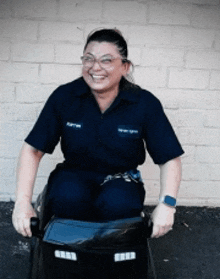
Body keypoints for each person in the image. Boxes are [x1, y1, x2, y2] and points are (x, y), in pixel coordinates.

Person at [12, 28, 184, 239]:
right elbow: (33, 150)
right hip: (74, 174)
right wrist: (22, 202)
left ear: (125, 67)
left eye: (106, 60)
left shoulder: (144, 103)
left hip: (121, 179)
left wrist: (168, 205)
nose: (95, 67)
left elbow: (169, 158)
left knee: (118, 206)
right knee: (66, 199)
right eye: (88, 59)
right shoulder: (65, 97)